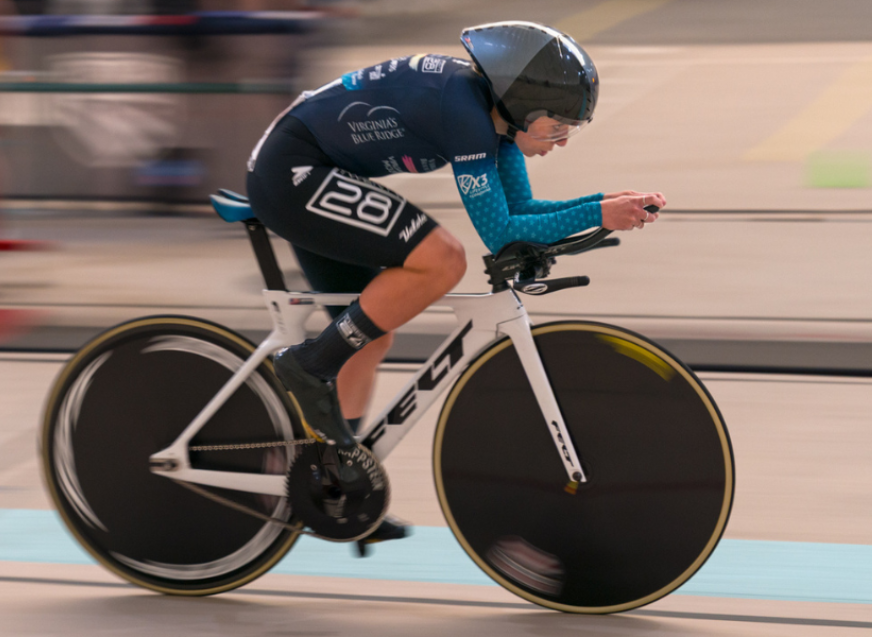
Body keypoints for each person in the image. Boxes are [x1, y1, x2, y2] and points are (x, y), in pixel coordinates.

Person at [245, 21, 665, 549]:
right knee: (442, 259)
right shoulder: (464, 114)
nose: (560, 141)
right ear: (522, 104)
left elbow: (522, 211)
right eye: (557, 126)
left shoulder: (498, 120)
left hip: (310, 168)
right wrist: (600, 213)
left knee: (368, 336)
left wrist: (601, 205)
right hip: (293, 172)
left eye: (569, 130)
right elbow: (501, 233)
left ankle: (334, 480)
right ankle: (307, 366)